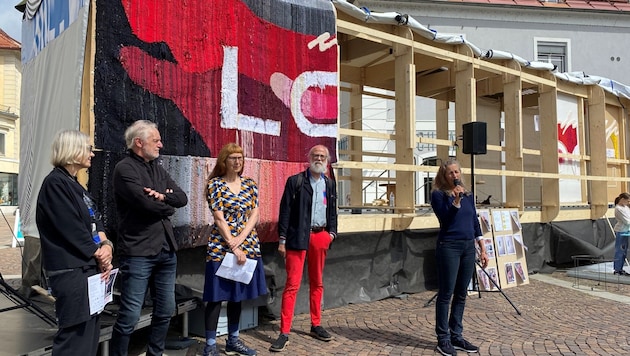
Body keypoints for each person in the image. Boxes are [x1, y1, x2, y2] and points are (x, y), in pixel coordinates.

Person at [110, 120, 188, 356]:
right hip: (138, 252)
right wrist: (167, 203)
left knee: (165, 310)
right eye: (156, 140)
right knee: (130, 315)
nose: (161, 145)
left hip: (166, 250)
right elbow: (145, 204)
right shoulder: (124, 169)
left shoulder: (157, 168)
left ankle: (155, 353)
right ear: (138, 142)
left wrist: (162, 198)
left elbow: (182, 197)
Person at [36, 130, 114, 355]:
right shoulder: (55, 184)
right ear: (72, 151)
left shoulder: (75, 185)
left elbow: (95, 220)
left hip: (89, 271)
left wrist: (107, 245)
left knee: (89, 338)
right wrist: (99, 253)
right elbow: (70, 228)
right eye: (88, 148)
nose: (92, 154)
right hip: (72, 273)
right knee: (74, 340)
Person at [269, 145, 338, 353]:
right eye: (315, 155)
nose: (319, 158)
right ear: (309, 158)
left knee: (317, 282)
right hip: (297, 237)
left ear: (327, 160)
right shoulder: (296, 181)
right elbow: (285, 212)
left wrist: (332, 234)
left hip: (320, 236)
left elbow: (333, 211)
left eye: (322, 156)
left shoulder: (329, 184)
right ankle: (284, 332)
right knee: (292, 285)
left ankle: (316, 324)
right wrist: (282, 240)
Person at [201, 143, 267, 356]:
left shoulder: (250, 184)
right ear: (224, 161)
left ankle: (233, 340)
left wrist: (241, 240)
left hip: (246, 245)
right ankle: (210, 344)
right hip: (221, 247)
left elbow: (255, 214)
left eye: (240, 158)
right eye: (233, 158)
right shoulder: (215, 185)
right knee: (216, 295)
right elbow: (219, 218)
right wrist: (232, 244)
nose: (237, 162)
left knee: (236, 296)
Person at [430, 159, 488, 356]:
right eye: (450, 173)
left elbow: (474, 220)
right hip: (449, 246)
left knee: (462, 293)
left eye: (457, 172)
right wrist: (455, 202)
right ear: (444, 176)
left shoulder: (468, 194)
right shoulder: (438, 195)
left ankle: (457, 335)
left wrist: (482, 246)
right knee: (446, 293)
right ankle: (443, 338)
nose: (455, 176)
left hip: (468, 246)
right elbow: (445, 220)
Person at [613, 192, 630, 276]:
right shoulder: (618, 208)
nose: (628, 203)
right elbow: (627, 221)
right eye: (627, 201)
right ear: (622, 200)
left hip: (626, 230)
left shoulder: (626, 207)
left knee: (624, 251)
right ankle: (617, 269)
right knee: (619, 250)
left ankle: (621, 268)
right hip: (621, 231)